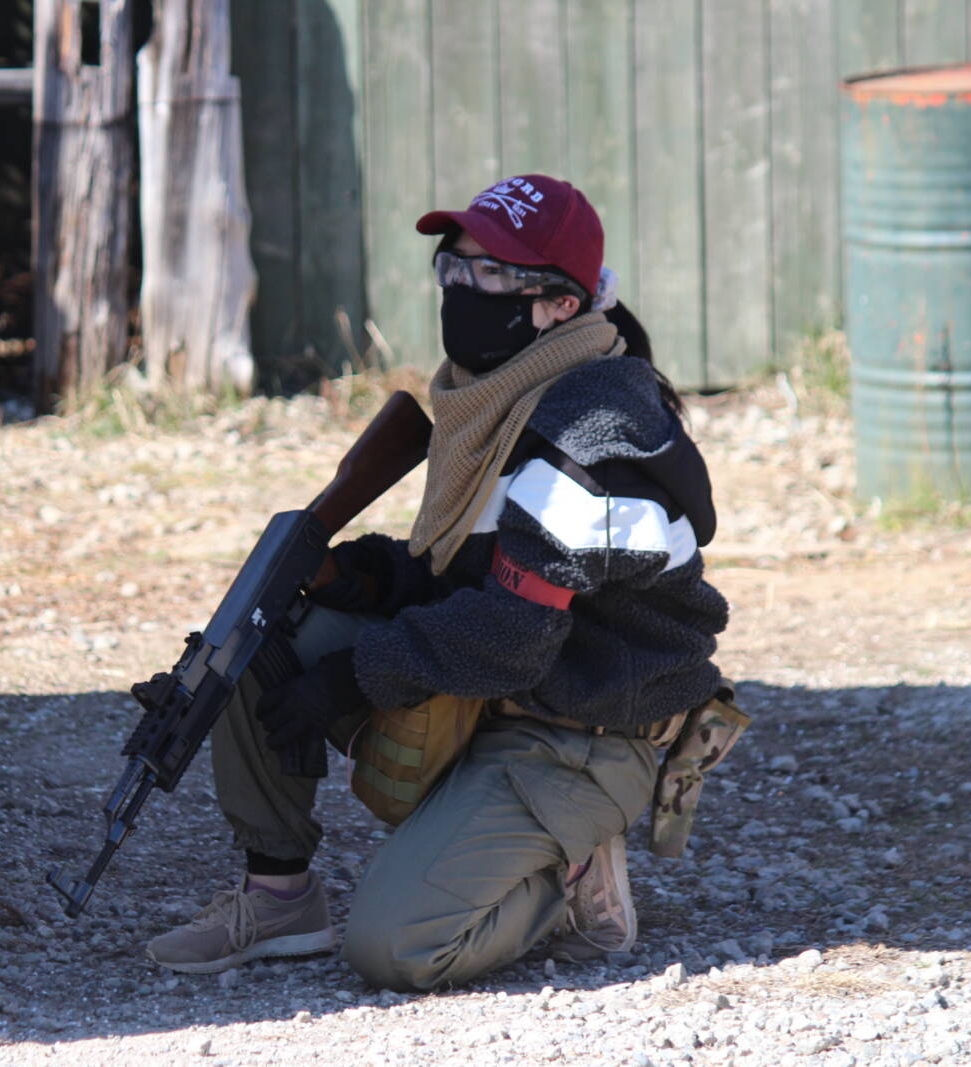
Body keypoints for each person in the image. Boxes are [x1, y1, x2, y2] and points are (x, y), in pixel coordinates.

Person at [146, 174, 732, 991]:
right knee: (259, 638)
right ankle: (280, 898)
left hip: (583, 727)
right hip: (497, 687)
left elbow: (512, 633)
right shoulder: (493, 400)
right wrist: (356, 575)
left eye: (491, 274)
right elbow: (465, 570)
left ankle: (566, 880)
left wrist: (350, 676)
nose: (462, 289)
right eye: (453, 267)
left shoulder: (592, 432)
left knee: (395, 946)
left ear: (560, 305)